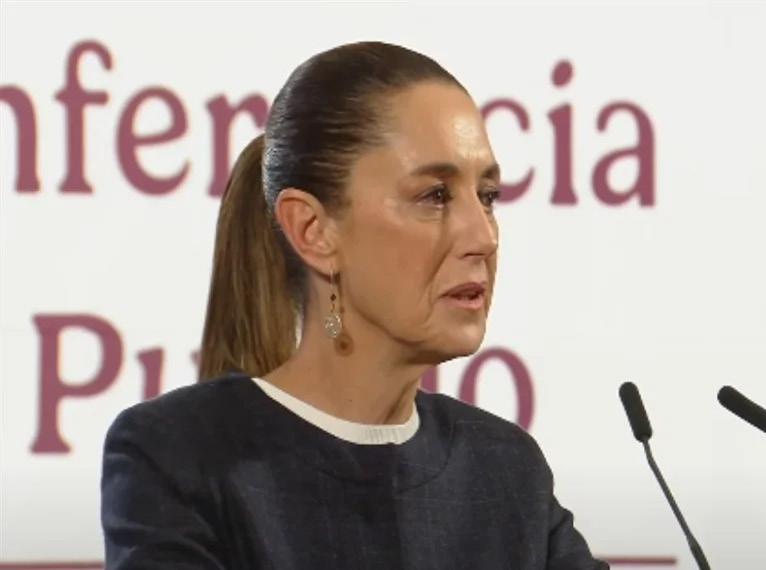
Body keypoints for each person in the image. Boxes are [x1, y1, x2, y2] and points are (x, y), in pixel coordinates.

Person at [100, 41, 608, 569]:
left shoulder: (507, 470)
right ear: (313, 230)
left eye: (487, 196)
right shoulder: (181, 456)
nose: (484, 236)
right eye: (435, 195)